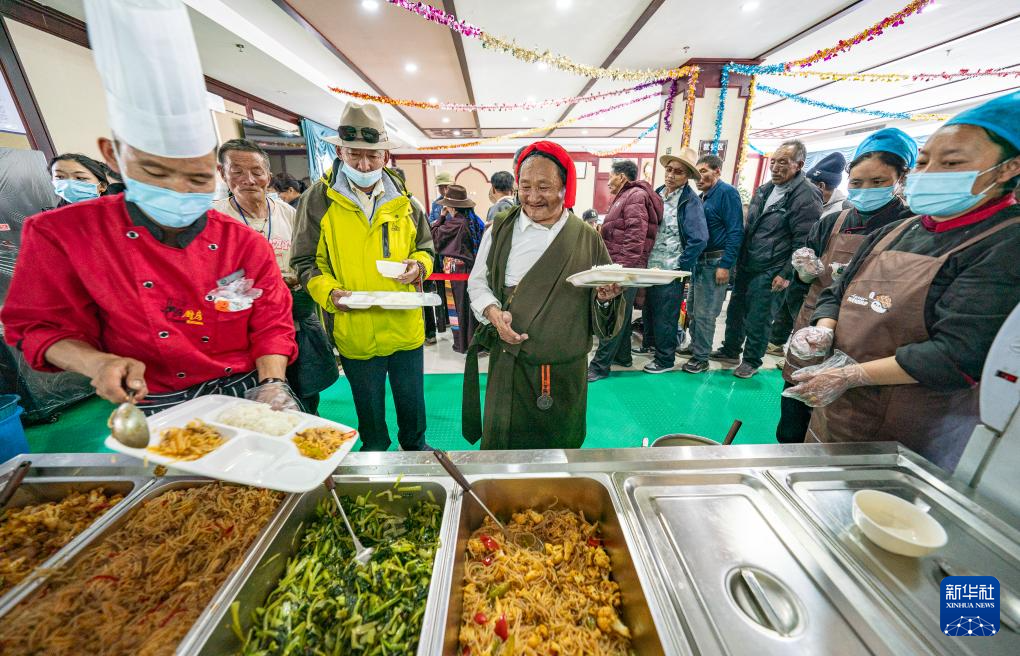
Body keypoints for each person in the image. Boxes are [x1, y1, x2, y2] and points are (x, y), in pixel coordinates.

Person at [2, 0, 298, 415]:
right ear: (113, 156)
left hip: (244, 385)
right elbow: (36, 326)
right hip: (153, 397)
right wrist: (96, 362)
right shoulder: (62, 233)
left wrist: (273, 383)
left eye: (196, 178)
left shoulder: (243, 242)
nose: (179, 190)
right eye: (157, 173)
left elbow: (271, 322)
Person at [784, 91, 1020, 472]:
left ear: (1008, 168)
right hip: (840, 407)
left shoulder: (1005, 243)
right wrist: (824, 329)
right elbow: (837, 291)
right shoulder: (898, 230)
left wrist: (853, 374)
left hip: (910, 425)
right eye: (924, 162)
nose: (931, 173)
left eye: (952, 163)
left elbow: (957, 354)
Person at [290, 101, 435, 452]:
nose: (365, 165)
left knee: (412, 402)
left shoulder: (406, 200)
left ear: (386, 155)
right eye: (355, 155)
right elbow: (304, 261)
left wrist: (418, 267)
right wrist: (329, 293)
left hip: (404, 324)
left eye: (373, 156)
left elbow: (426, 249)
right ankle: (376, 450)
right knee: (368, 407)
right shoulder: (318, 200)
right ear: (340, 152)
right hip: (355, 325)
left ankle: (416, 446)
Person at [464, 141, 625, 449]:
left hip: (566, 371)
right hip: (510, 364)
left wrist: (606, 298)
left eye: (544, 187)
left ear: (565, 188)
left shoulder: (586, 237)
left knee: (560, 452)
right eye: (525, 186)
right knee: (505, 452)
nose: (533, 197)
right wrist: (493, 314)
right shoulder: (500, 229)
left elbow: (606, 306)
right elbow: (478, 283)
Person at [776, 128, 917, 444]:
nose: (865, 190)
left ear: (901, 179)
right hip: (814, 331)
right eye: (857, 182)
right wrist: (803, 274)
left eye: (878, 182)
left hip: (863, 342)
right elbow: (804, 283)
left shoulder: (909, 228)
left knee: (840, 425)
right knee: (792, 419)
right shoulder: (832, 222)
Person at [213, 139, 338, 414]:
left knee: (306, 398)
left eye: (256, 172)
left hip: (296, 321)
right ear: (222, 174)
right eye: (237, 171)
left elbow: (308, 260)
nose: (248, 180)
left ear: (268, 176)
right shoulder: (215, 218)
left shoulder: (289, 214)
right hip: (242, 330)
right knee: (252, 406)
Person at [712, 140, 822, 378]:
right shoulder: (765, 189)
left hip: (773, 268)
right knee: (736, 310)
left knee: (759, 317)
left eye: (783, 162)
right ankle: (730, 350)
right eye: (773, 162)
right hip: (748, 262)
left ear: (799, 165)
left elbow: (804, 241)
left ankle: (751, 360)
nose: (775, 167)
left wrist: (786, 273)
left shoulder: (806, 195)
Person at [767, 151, 850, 355]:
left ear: (820, 186)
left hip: (828, 276)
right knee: (791, 307)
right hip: (803, 272)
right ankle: (781, 344)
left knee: (813, 314)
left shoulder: (842, 210)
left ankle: (807, 353)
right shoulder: (811, 202)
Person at [587, 159, 662, 382]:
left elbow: (635, 236)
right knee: (624, 313)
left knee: (614, 314)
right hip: (622, 266)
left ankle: (599, 366)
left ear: (621, 176)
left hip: (624, 268)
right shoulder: (626, 196)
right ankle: (623, 356)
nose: (608, 181)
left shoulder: (635, 196)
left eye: (610, 176)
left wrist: (620, 271)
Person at [641, 147, 707, 374]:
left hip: (671, 269)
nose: (671, 175)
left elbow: (699, 239)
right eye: (669, 170)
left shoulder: (690, 201)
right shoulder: (658, 193)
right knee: (650, 310)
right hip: (651, 265)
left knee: (666, 316)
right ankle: (651, 346)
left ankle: (665, 360)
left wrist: (681, 265)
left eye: (678, 172)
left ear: (687, 176)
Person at [682, 154, 744, 373]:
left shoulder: (727, 193)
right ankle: (695, 346)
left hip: (716, 262)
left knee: (706, 313)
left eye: (704, 171)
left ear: (717, 171)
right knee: (693, 309)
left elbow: (736, 231)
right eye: (697, 173)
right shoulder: (704, 196)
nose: (699, 178)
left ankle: (701, 357)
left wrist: (725, 265)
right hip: (700, 262)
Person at [431, 184, 486, 354]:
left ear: (451, 207)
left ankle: (464, 343)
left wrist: (441, 218)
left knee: (459, 308)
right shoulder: (474, 220)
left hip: (457, 272)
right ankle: (475, 343)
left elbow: (434, 237)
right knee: (469, 308)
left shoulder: (455, 223)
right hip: (470, 269)